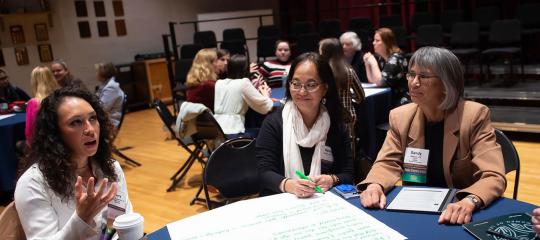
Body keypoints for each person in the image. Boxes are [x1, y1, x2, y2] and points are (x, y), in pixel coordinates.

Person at [358, 47, 506, 225]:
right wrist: (375, 184)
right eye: (411, 75)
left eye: (424, 76)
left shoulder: (474, 116)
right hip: (414, 209)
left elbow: (493, 175)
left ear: (447, 83)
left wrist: (470, 201)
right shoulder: (401, 117)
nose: (414, 82)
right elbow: (387, 162)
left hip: (457, 212)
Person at [15, 87, 132, 239]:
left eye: (92, 118)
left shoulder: (111, 168)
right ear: (55, 134)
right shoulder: (32, 183)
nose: (90, 130)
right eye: (76, 122)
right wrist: (81, 219)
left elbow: (121, 222)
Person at [257, 52, 354, 197]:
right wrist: (289, 184)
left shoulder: (336, 125)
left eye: (311, 85)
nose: (302, 91)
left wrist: (332, 179)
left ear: (325, 88)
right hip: (281, 201)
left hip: (324, 203)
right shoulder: (274, 123)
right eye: (296, 84)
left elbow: (349, 172)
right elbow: (264, 172)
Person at [214, 54, 273, 138]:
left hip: (217, 131)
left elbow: (234, 96)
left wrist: (253, 89)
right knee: (267, 131)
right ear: (245, 68)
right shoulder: (244, 82)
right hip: (234, 132)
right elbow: (266, 107)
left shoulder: (219, 83)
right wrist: (266, 95)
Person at [319, 38, 365, 137]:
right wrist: (348, 96)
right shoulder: (348, 70)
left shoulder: (319, 72)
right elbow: (361, 96)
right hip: (347, 117)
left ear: (324, 52)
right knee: (348, 149)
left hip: (324, 117)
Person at [363, 27, 408, 106]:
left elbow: (381, 82)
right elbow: (373, 81)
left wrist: (373, 63)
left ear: (387, 42)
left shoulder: (396, 58)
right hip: (389, 97)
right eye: (374, 40)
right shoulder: (382, 59)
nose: (373, 43)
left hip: (401, 99)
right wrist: (367, 64)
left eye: (377, 40)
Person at [25, 66, 59, 145]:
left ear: (34, 81)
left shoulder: (34, 103)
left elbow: (29, 131)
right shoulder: (61, 98)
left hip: (45, 146)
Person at [95, 62, 124, 129]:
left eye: (97, 71)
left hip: (111, 122)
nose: (96, 74)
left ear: (103, 73)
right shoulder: (105, 85)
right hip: (107, 120)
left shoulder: (111, 87)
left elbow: (102, 108)